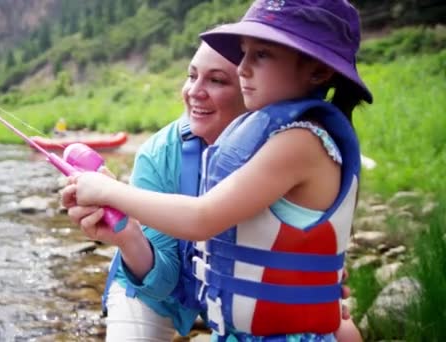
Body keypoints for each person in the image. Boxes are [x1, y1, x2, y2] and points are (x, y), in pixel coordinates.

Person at [65, 0, 370, 340]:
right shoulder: (169, 152)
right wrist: (127, 233)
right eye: (243, 54)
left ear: (317, 71)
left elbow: (202, 218)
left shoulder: (296, 143)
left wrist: (109, 191)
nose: (243, 68)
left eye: (262, 55)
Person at [67, 41, 247, 341]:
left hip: (233, 291)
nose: (194, 91)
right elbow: (163, 282)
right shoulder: (157, 153)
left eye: (216, 80)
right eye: (191, 76)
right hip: (152, 289)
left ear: (252, 89)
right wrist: (129, 236)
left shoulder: (278, 151)